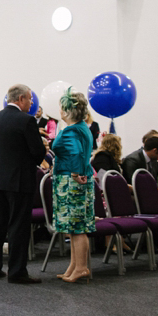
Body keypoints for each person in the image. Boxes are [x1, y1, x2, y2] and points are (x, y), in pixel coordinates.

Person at [0, 84, 47, 284]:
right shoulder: (26, 121)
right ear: (20, 99)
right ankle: (17, 271)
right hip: (19, 180)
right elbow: (38, 153)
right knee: (18, 225)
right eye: (29, 99)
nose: (31, 103)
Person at [51, 90, 95, 284]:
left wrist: (76, 174)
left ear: (67, 111)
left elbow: (76, 154)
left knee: (77, 228)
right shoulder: (82, 127)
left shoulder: (71, 130)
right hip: (75, 180)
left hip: (72, 182)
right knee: (75, 228)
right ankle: (74, 266)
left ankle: (81, 267)